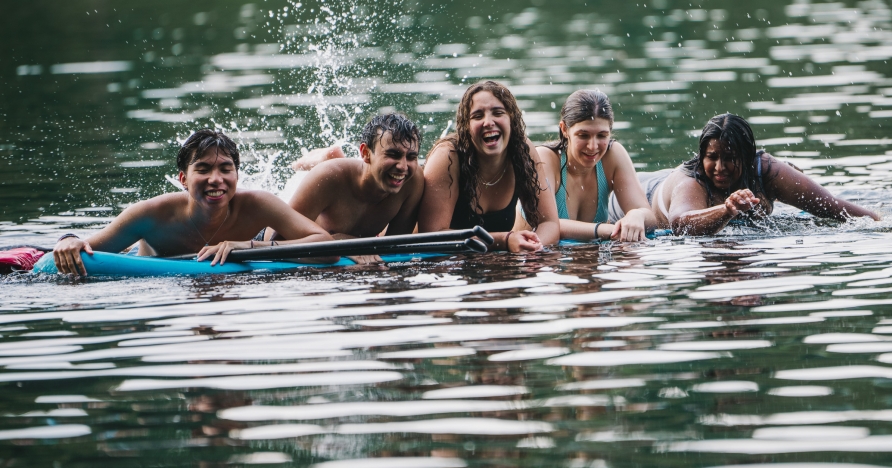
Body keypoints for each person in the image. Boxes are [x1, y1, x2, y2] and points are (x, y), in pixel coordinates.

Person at [52, 129, 333, 276]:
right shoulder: (151, 214)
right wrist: (68, 239)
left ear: (236, 175)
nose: (216, 180)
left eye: (225, 169)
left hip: (255, 244)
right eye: (203, 169)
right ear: (183, 179)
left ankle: (326, 163)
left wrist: (248, 247)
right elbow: (87, 248)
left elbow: (327, 247)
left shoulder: (257, 203)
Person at [645, 113, 879, 235]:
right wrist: (726, 210)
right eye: (712, 157)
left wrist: (880, 222)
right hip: (642, 194)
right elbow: (680, 226)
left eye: (729, 158)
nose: (719, 168)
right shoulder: (691, 180)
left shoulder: (766, 170)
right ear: (702, 155)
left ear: (747, 158)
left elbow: (831, 206)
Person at [418, 80, 560, 252]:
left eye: (498, 113)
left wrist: (535, 249)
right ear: (466, 127)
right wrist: (504, 240)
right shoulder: (447, 157)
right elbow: (431, 237)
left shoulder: (522, 151)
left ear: (511, 120)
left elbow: (549, 223)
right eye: (477, 116)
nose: (488, 122)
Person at [278, 113, 424, 240]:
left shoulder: (413, 180)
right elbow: (280, 240)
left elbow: (396, 247)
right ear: (365, 153)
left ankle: (332, 156)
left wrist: (351, 244)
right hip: (281, 233)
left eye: (412, 157)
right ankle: (322, 159)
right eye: (393, 154)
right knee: (333, 174)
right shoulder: (327, 177)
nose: (403, 167)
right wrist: (335, 242)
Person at [537, 90, 656, 242]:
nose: (593, 146)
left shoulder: (613, 155)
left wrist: (637, 215)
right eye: (583, 135)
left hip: (588, 260)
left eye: (602, 135)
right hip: (530, 260)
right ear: (564, 129)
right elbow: (545, 224)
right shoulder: (544, 159)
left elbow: (650, 218)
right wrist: (604, 229)